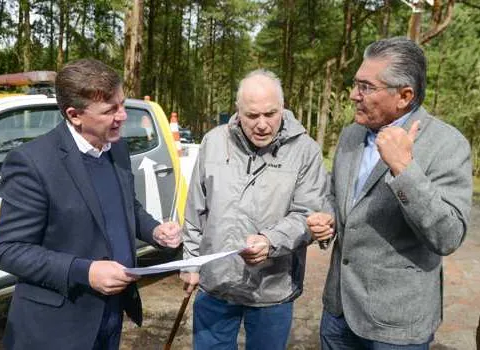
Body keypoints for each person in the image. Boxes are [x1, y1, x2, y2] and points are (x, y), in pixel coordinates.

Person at [0, 58, 181, 350]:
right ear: (74, 115)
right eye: (110, 110)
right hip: (56, 329)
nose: (122, 116)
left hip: (110, 316)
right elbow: (8, 250)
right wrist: (84, 271)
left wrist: (155, 231)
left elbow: (126, 208)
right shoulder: (33, 163)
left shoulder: (116, 147)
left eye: (122, 104)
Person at [307, 37, 473, 349]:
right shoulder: (351, 134)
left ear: (404, 96)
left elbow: (448, 236)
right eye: (355, 84)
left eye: (366, 87)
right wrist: (326, 218)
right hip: (338, 312)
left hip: (396, 327)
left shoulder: (448, 145)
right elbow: (336, 195)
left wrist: (403, 169)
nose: (354, 95)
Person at [180, 69, 329, 349]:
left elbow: (308, 213)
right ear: (237, 111)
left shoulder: (306, 151)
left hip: (272, 288)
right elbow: (195, 210)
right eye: (252, 116)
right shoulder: (214, 142)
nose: (262, 124)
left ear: (282, 108)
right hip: (216, 283)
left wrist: (270, 241)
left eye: (270, 114)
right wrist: (190, 262)